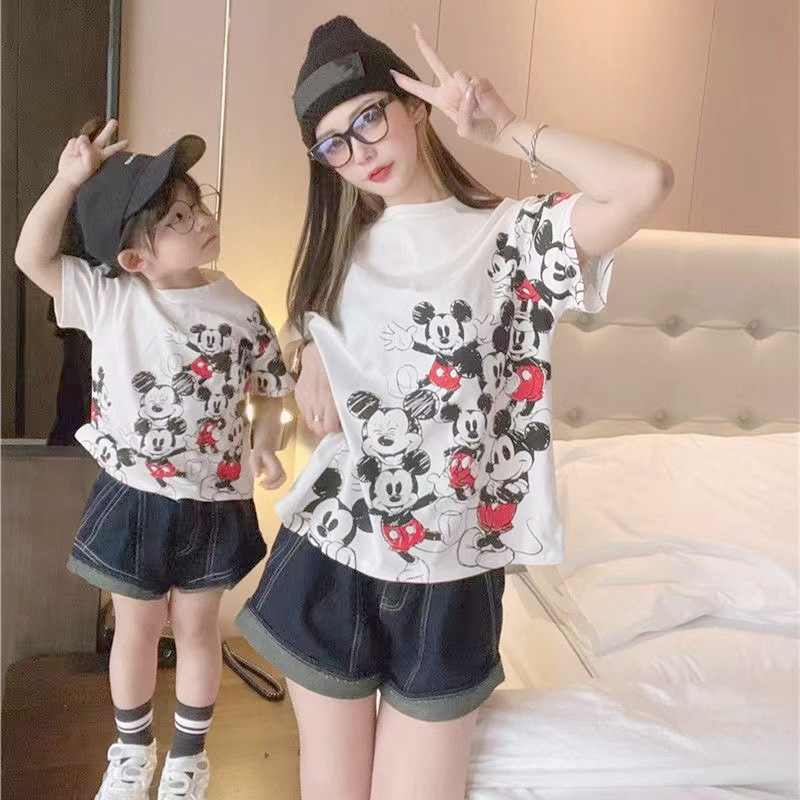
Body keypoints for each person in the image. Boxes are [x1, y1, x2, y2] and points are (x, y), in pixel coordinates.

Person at [236, 16, 673, 800]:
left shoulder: (512, 239)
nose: (359, 151)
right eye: (334, 143)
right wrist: (305, 350)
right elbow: (318, 352)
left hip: (454, 572)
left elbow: (645, 184)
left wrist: (507, 128)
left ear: (415, 106)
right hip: (333, 554)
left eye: (369, 117)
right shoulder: (334, 254)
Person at [14, 119, 292, 800]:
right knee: (135, 630)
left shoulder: (242, 309)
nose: (203, 221)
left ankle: (188, 762)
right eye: (179, 218)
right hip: (133, 494)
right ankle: (132, 753)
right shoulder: (110, 298)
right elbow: (30, 256)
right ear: (136, 258)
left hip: (215, 501)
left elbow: (269, 389)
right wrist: (68, 180)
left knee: (198, 631)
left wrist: (264, 442)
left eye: (199, 206)